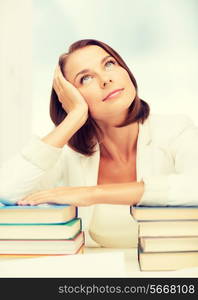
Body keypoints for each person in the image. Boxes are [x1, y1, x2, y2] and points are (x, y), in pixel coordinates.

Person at [1, 39, 198, 248]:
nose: (105, 79)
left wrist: (91, 194)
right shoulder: (69, 154)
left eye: (109, 64)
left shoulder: (176, 129)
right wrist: (73, 118)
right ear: (70, 97)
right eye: (85, 78)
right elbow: (6, 190)